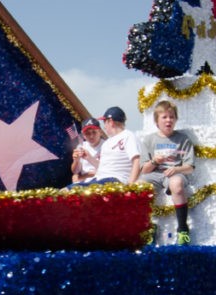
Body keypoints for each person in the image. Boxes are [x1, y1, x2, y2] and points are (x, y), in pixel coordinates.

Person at [140, 100, 195, 245]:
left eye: (171, 117)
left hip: (175, 172)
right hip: (155, 174)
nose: (168, 120)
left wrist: (177, 169)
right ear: (157, 121)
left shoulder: (183, 139)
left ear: (176, 119)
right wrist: (155, 161)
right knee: (141, 185)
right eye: (164, 117)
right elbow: (144, 170)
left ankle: (183, 229)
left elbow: (190, 167)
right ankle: (149, 227)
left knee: (176, 183)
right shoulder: (149, 140)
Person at [70, 106, 141, 186]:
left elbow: (137, 161)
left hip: (115, 180)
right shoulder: (107, 143)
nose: (104, 127)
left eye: (105, 122)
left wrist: (130, 185)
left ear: (110, 122)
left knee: (73, 193)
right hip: (99, 179)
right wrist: (89, 158)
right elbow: (102, 168)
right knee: (65, 191)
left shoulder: (128, 136)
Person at [71, 117, 105, 182]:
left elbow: (107, 169)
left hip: (101, 180)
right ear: (83, 135)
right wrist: (76, 160)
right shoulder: (81, 146)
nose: (91, 136)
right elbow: (75, 171)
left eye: (94, 132)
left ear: (100, 132)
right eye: (87, 133)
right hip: (84, 182)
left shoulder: (107, 145)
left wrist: (89, 158)